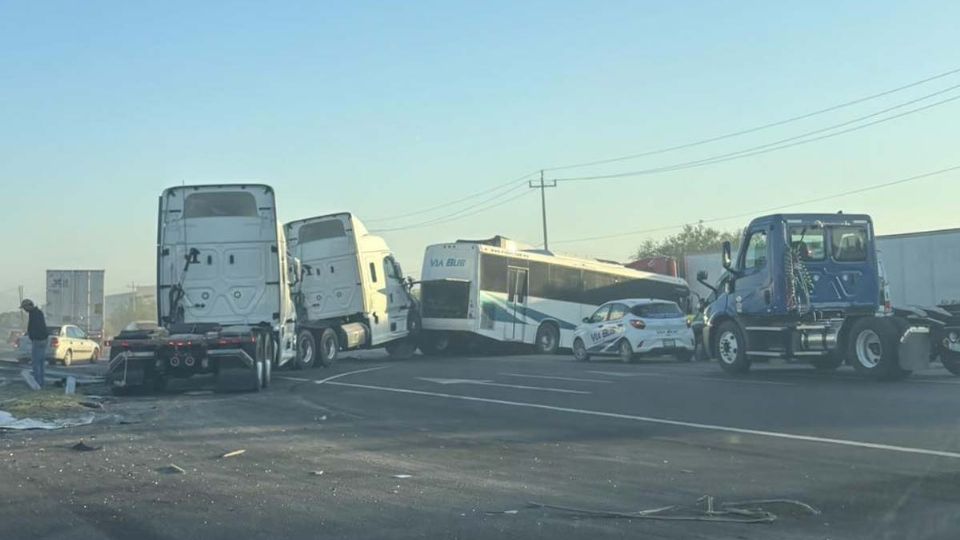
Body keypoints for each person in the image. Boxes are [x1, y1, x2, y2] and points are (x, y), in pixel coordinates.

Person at [21, 299, 47, 387]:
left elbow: (34, 327)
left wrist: (32, 336)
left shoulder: (34, 314)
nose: (25, 310)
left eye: (25, 308)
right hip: (43, 339)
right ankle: (41, 382)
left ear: (29, 306)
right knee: (41, 363)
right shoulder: (39, 312)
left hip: (37, 340)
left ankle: (37, 383)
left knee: (36, 363)